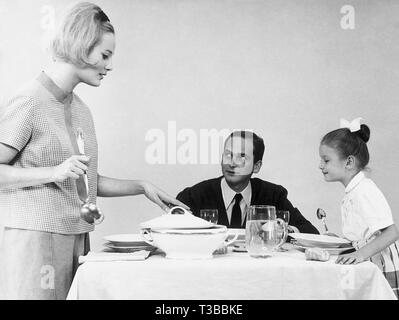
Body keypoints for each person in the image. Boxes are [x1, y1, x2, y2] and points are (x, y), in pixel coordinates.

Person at [0, 2, 187, 300]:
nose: (109, 65)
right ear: (81, 46)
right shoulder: (29, 101)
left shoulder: (81, 110)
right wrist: (54, 172)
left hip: (77, 235)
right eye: (105, 55)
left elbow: (87, 181)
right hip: (35, 239)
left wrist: (142, 187)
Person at [176, 130, 319, 234]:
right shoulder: (194, 196)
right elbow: (171, 233)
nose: (231, 163)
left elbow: (310, 232)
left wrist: (286, 230)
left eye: (242, 157)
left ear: (256, 166)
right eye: (228, 155)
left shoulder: (273, 195)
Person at [319, 118, 399, 298]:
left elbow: (391, 232)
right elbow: (362, 233)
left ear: (348, 162)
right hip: (367, 261)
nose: (320, 166)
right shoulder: (354, 191)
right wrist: (340, 240)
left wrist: (361, 254)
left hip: (379, 264)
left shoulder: (364, 191)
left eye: (326, 160)